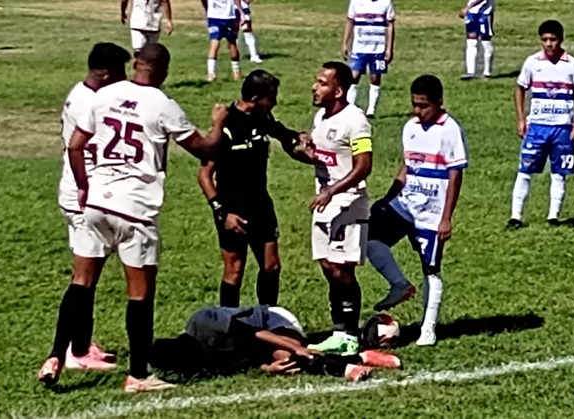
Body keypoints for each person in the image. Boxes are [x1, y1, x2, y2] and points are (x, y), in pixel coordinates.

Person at [38, 43, 228, 393]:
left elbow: (76, 145)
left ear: (136, 63)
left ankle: (55, 355)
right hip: (135, 207)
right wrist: (218, 123)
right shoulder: (163, 104)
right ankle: (138, 374)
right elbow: (205, 148)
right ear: (164, 70)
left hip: (97, 202)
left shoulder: (104, 95)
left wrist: (84, 186)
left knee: (82, 281)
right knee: (140, 293)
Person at [366, 75, 467, 346]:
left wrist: (446, 218)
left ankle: (428, 328)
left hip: (431, 213)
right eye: (414, 104)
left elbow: (456, 174)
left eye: (423, 106)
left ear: (439, 102)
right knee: (368, 237)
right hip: (405, 205)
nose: (417, 111)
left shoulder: (449, 129)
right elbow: (407, 166)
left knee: (431, 269)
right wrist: (389, 197)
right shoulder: (410, 127)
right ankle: (399, 284)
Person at [198, 69, 312, 308]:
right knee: (234, 269)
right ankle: (228, 323)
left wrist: (299, 137)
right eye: (272, 97)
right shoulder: (226, 124)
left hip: (260, 203)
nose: (275, 102)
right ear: (255, 98)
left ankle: (267, 317)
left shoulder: (262, 116)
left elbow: (281, 132)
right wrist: (222, 213)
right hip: (232, 208)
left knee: (272, 266)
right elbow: (205, 176)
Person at [52, 43, 132, 374]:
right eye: (121, 73)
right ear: (106, 74)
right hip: (83, 197)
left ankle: (81, 344)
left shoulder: (82, 93)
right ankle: (72, 351)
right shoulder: (90, 103)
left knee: (88, 275)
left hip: (81, 192)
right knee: (84, 278)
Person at [299, 62, 373, 355]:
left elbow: (364, 166)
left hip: (347, 203)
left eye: (322, 83)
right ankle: (338, 331)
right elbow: (323, 158)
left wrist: (332, 191)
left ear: (338, 90)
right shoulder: (321, 117)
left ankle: (351, 335)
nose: (314, 88)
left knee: (342, 270)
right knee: (328, 266)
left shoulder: (355, 121)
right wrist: (302, 150)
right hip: (324, 204)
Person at [150, 304, 401, 381]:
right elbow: (240, 364)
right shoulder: (204, 361)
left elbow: (255, 333)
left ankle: (348, 369)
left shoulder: (202, 322)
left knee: (289, 356)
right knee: (284, 364)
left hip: (273, 321)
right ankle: (362, 358)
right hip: (259, 345)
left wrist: (295, 346)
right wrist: (267, 369)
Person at [507, 20, 574, 229]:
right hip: (537, 127)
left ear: (560, 40)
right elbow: (520, 89)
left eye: (553, 39)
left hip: (562, 128)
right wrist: (521, 119)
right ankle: (515, 216)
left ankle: (553, 216)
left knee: (559, 173)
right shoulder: (532, 63)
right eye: (544, 40)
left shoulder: (572, 65)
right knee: (525, 171)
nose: (549, 44)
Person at [342, 0, 395, 117]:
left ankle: (371, 110)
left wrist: (389, 48)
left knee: (375, 78)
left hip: (378, 49)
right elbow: (350, 22)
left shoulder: (385, 2)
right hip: (359, 48)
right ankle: (350, 107)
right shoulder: (356, 2)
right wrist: (345, 43)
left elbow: (390, 25)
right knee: (353, 77)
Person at [204, 0, 244, 82]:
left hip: (213, 16)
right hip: (229, 16)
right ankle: (236, 72)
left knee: (214, 43)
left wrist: (207, 8)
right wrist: (241, 11)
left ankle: (211, 73)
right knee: (232, 43)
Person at [459, 0, 495, 79]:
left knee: (485, 42)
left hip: (484, 13)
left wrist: (468, 7)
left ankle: (487, 72)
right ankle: (470, 72)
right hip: (472, 13)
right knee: (471, 42)